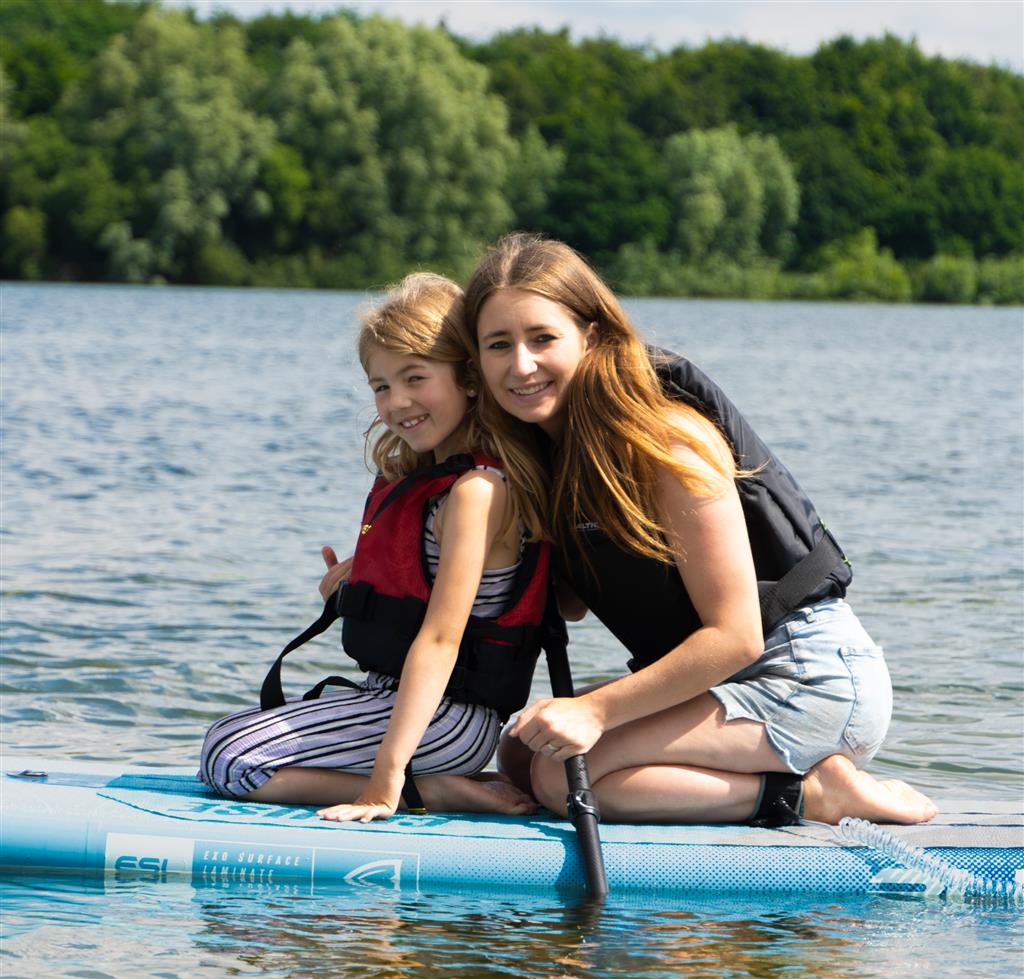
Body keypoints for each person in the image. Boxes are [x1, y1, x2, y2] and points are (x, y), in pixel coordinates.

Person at [463, 233, 937, 826]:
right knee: (520, 753)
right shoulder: (551, 454)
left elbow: (737, 637)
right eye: (498, 345)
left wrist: (597, 711)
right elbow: (571, 602)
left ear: (591, 335)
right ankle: (777, 779)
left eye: (542, 339)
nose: (521, 365)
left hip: (805, 677)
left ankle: (811, 795)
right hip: (728, 681)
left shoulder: (665, 441)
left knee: (561, 775)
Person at [199, 273, 546, 821]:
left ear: (470, 378)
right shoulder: (436, 482)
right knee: (225, 736)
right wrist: (364, 573)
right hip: (396, 701)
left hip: (449, 718)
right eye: (381, 386)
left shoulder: (478, 491)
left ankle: (434, 791)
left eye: (415, 378)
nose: (397, 401)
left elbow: (439, 639)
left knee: (230, 758)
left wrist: (384, 785)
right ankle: (429, 778)